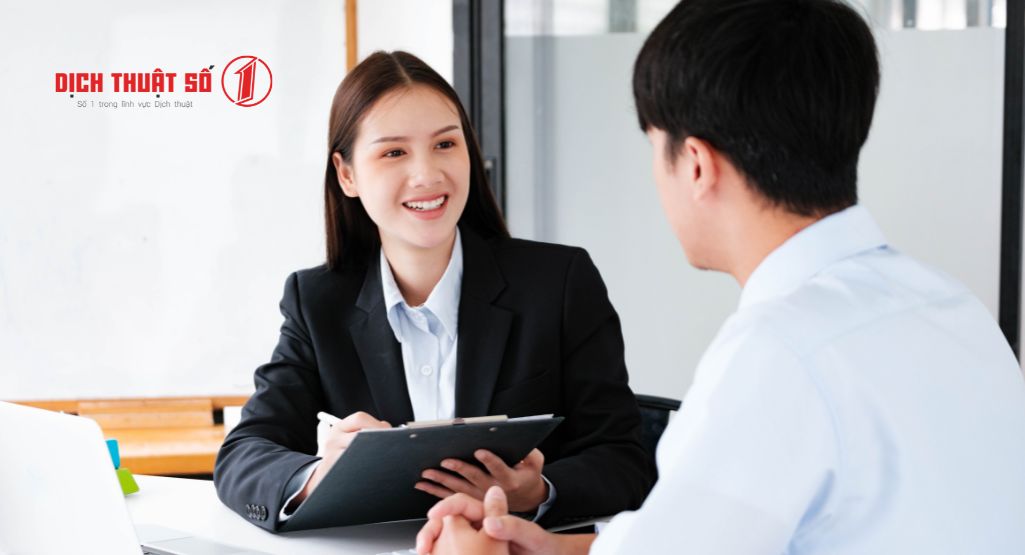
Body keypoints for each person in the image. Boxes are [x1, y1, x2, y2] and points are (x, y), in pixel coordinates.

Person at [416, 0, 1025, 553]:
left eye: (655, 147)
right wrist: (550, 549)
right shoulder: (951, 306)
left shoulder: (779, 352)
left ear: (697, 164)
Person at [212, 51, 653, 532]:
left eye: (445, 144)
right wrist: (320, 475)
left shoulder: (559, 283)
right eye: (394, 152)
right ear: (347, 174)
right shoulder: (316, 302)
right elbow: (243, 455)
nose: (427, 174)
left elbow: (624, 460)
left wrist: (536, 490)